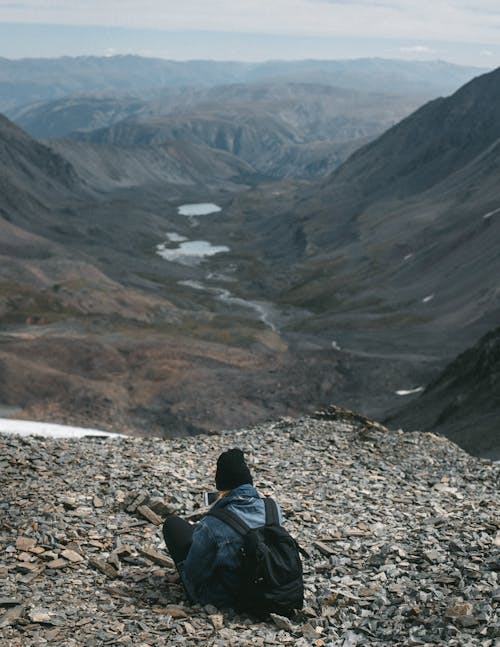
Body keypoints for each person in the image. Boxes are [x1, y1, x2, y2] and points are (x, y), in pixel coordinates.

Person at [162, 447, 283, 609]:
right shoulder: (273, 508)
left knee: (173, 524)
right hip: (271, 589)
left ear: (222, 486)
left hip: (225, 599)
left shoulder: (214, 522)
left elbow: (193, 574)